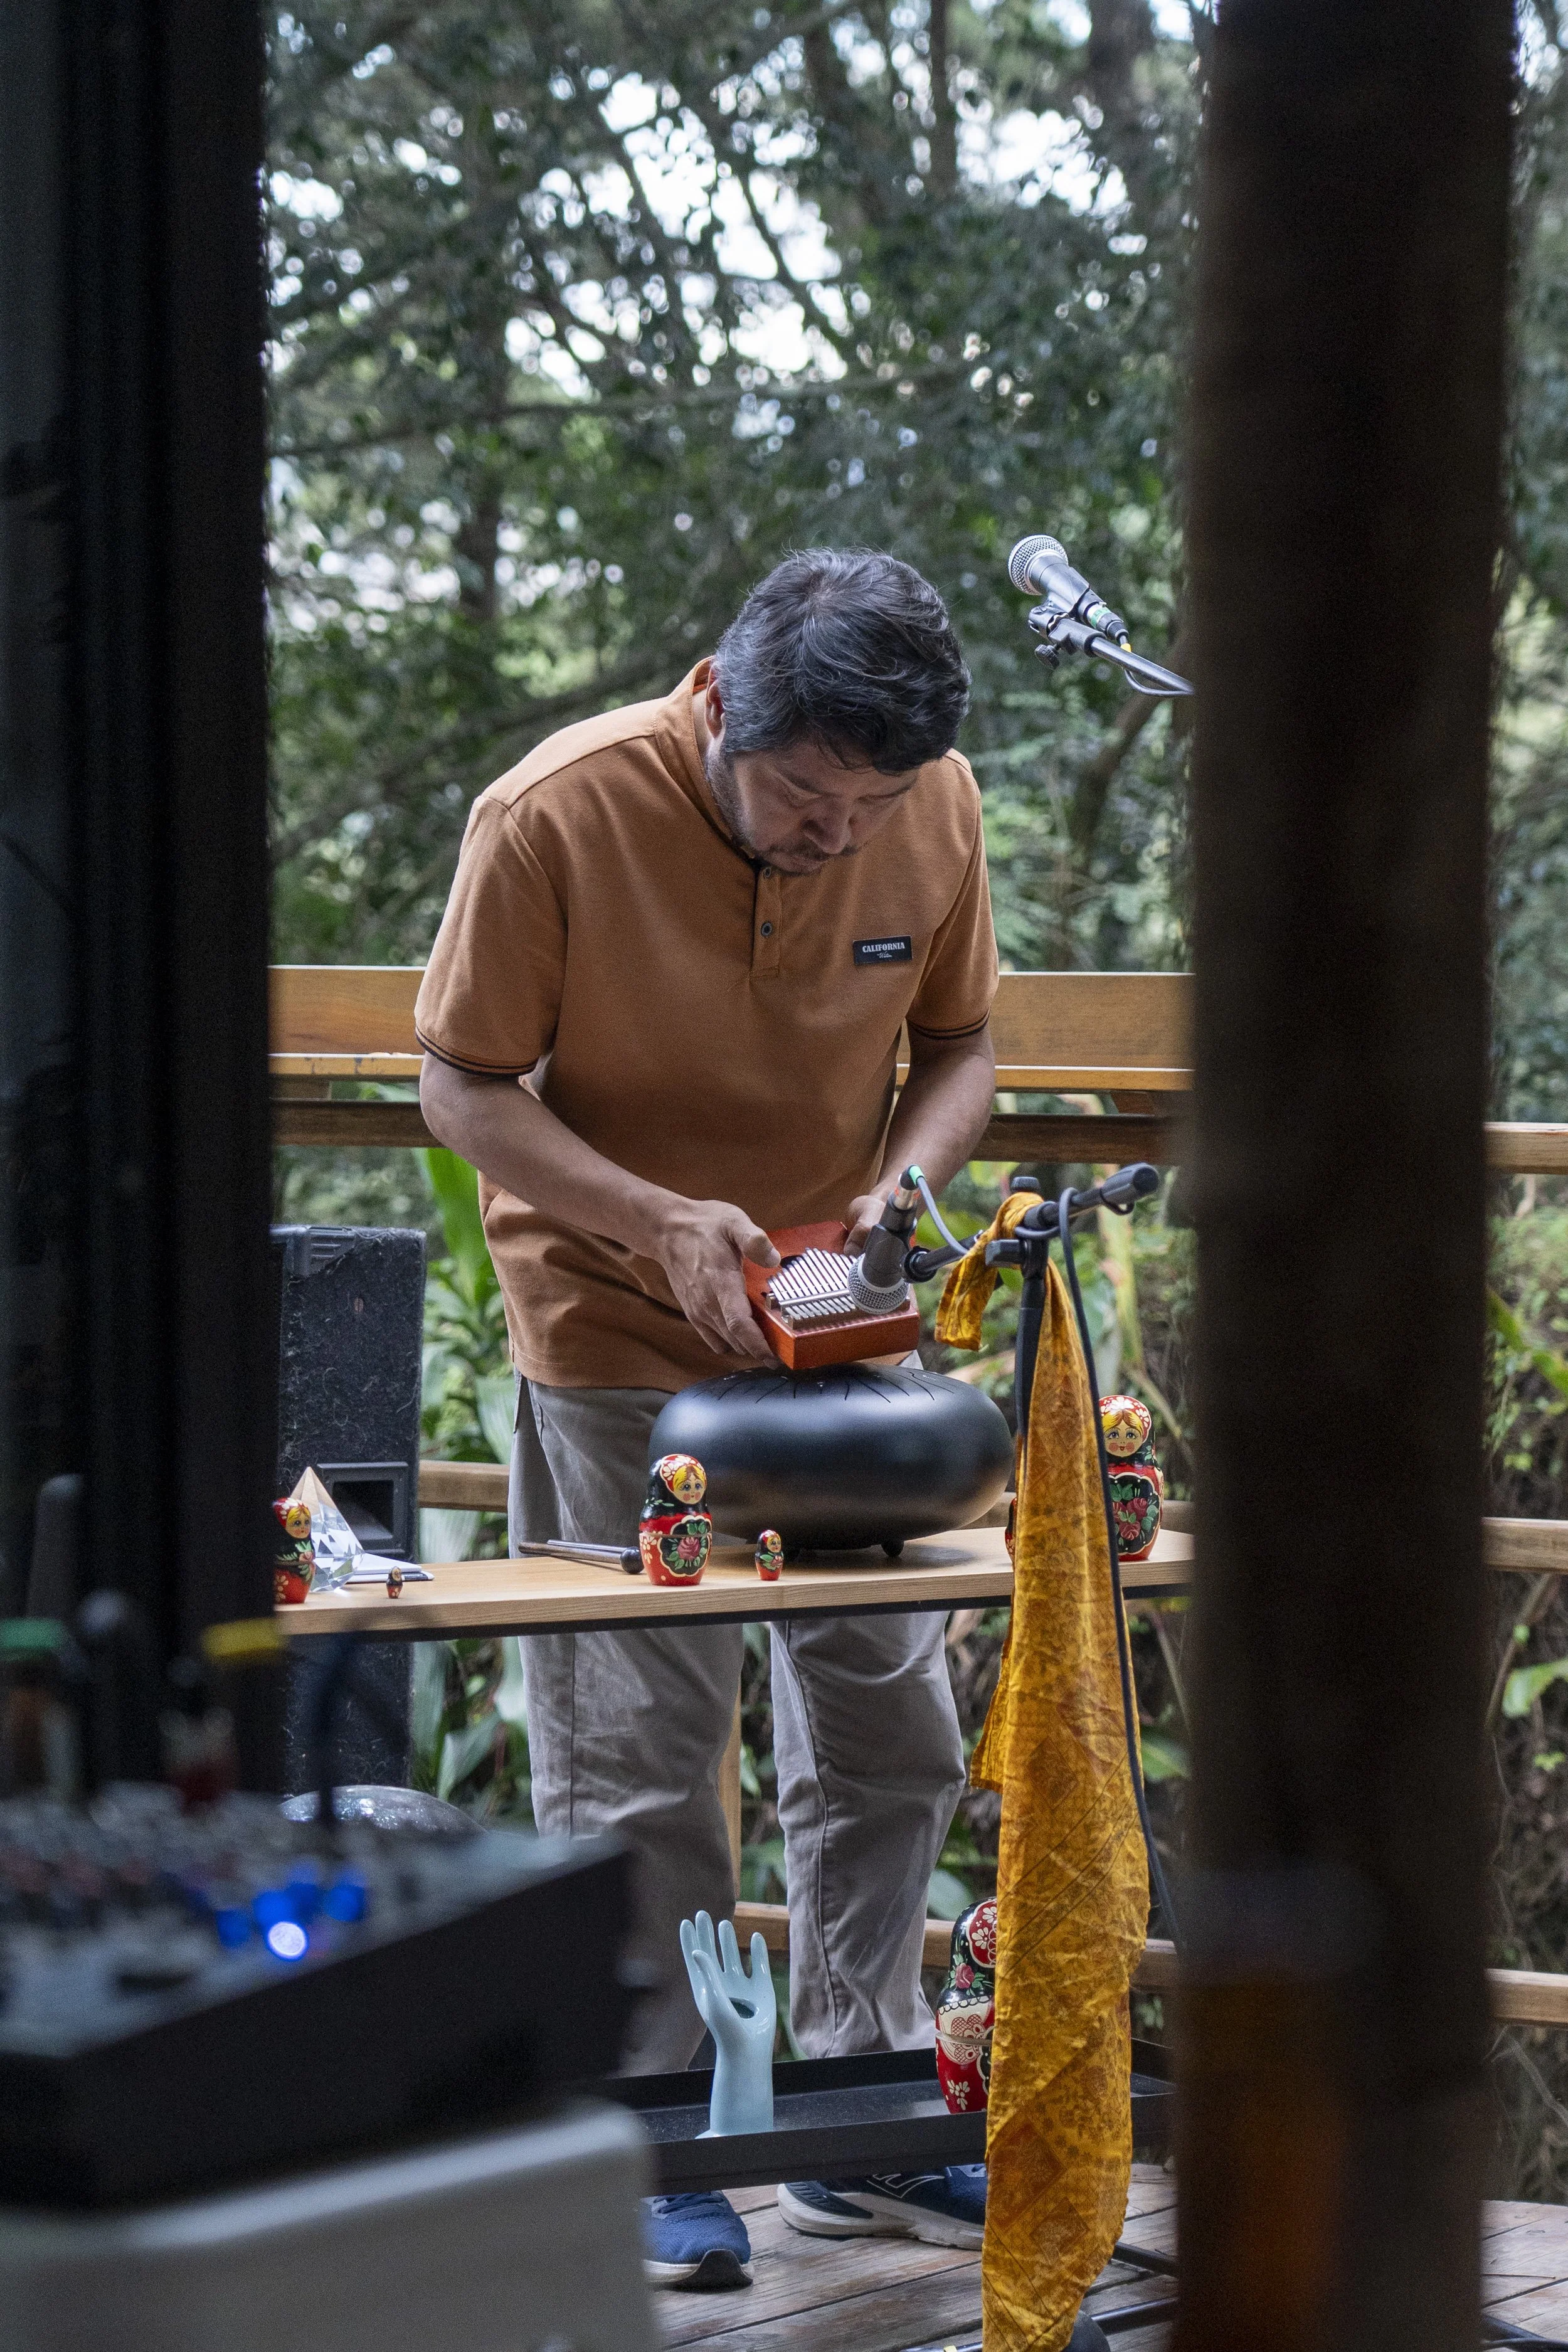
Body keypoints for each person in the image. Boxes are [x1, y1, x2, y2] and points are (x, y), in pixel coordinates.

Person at [416, 548, 997, 2289]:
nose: (839, 835)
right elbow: (458, 1081)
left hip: (837, 1334)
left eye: (869, 804)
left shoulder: (931, 805)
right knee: (640, 1759)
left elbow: (963, 1040)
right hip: (611, 1330)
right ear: (712, 702)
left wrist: (901, 1184)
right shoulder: (553, 814)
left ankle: (856, 2096)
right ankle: (657, 2134)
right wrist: (651, 1217)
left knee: (890, 1728)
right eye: (803, 795)